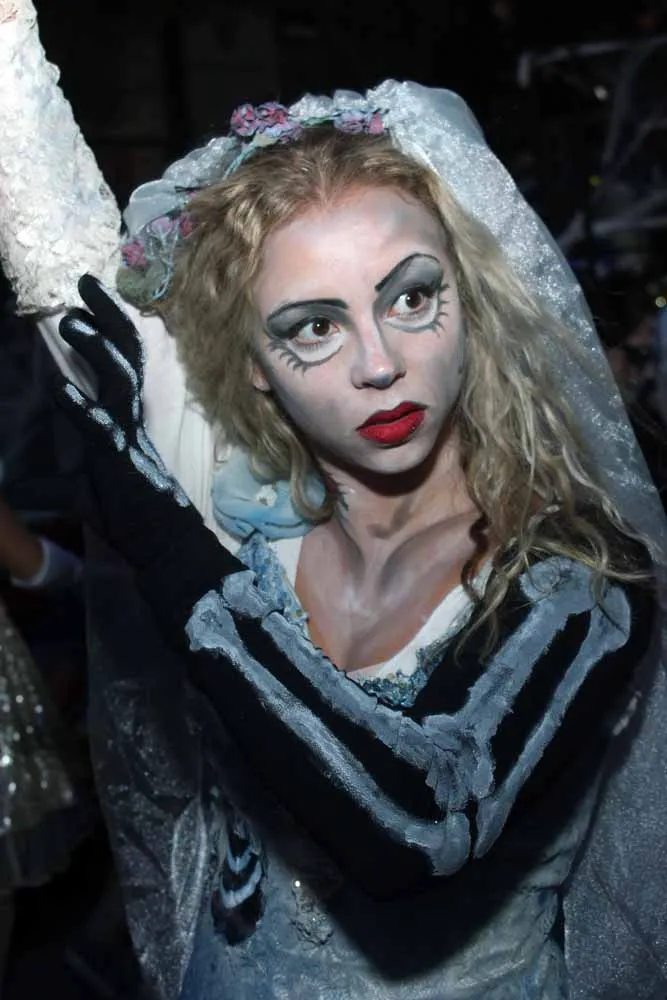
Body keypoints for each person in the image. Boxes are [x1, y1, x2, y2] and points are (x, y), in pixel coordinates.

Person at [2, 3, 667, 1000]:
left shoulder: (581, 575)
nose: (378, 362)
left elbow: (416, 824)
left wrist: (168, 550)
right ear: (255, 366)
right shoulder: (248, 513)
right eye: (313, 326)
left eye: (411, 297)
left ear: (471, 302)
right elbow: (58, 249)